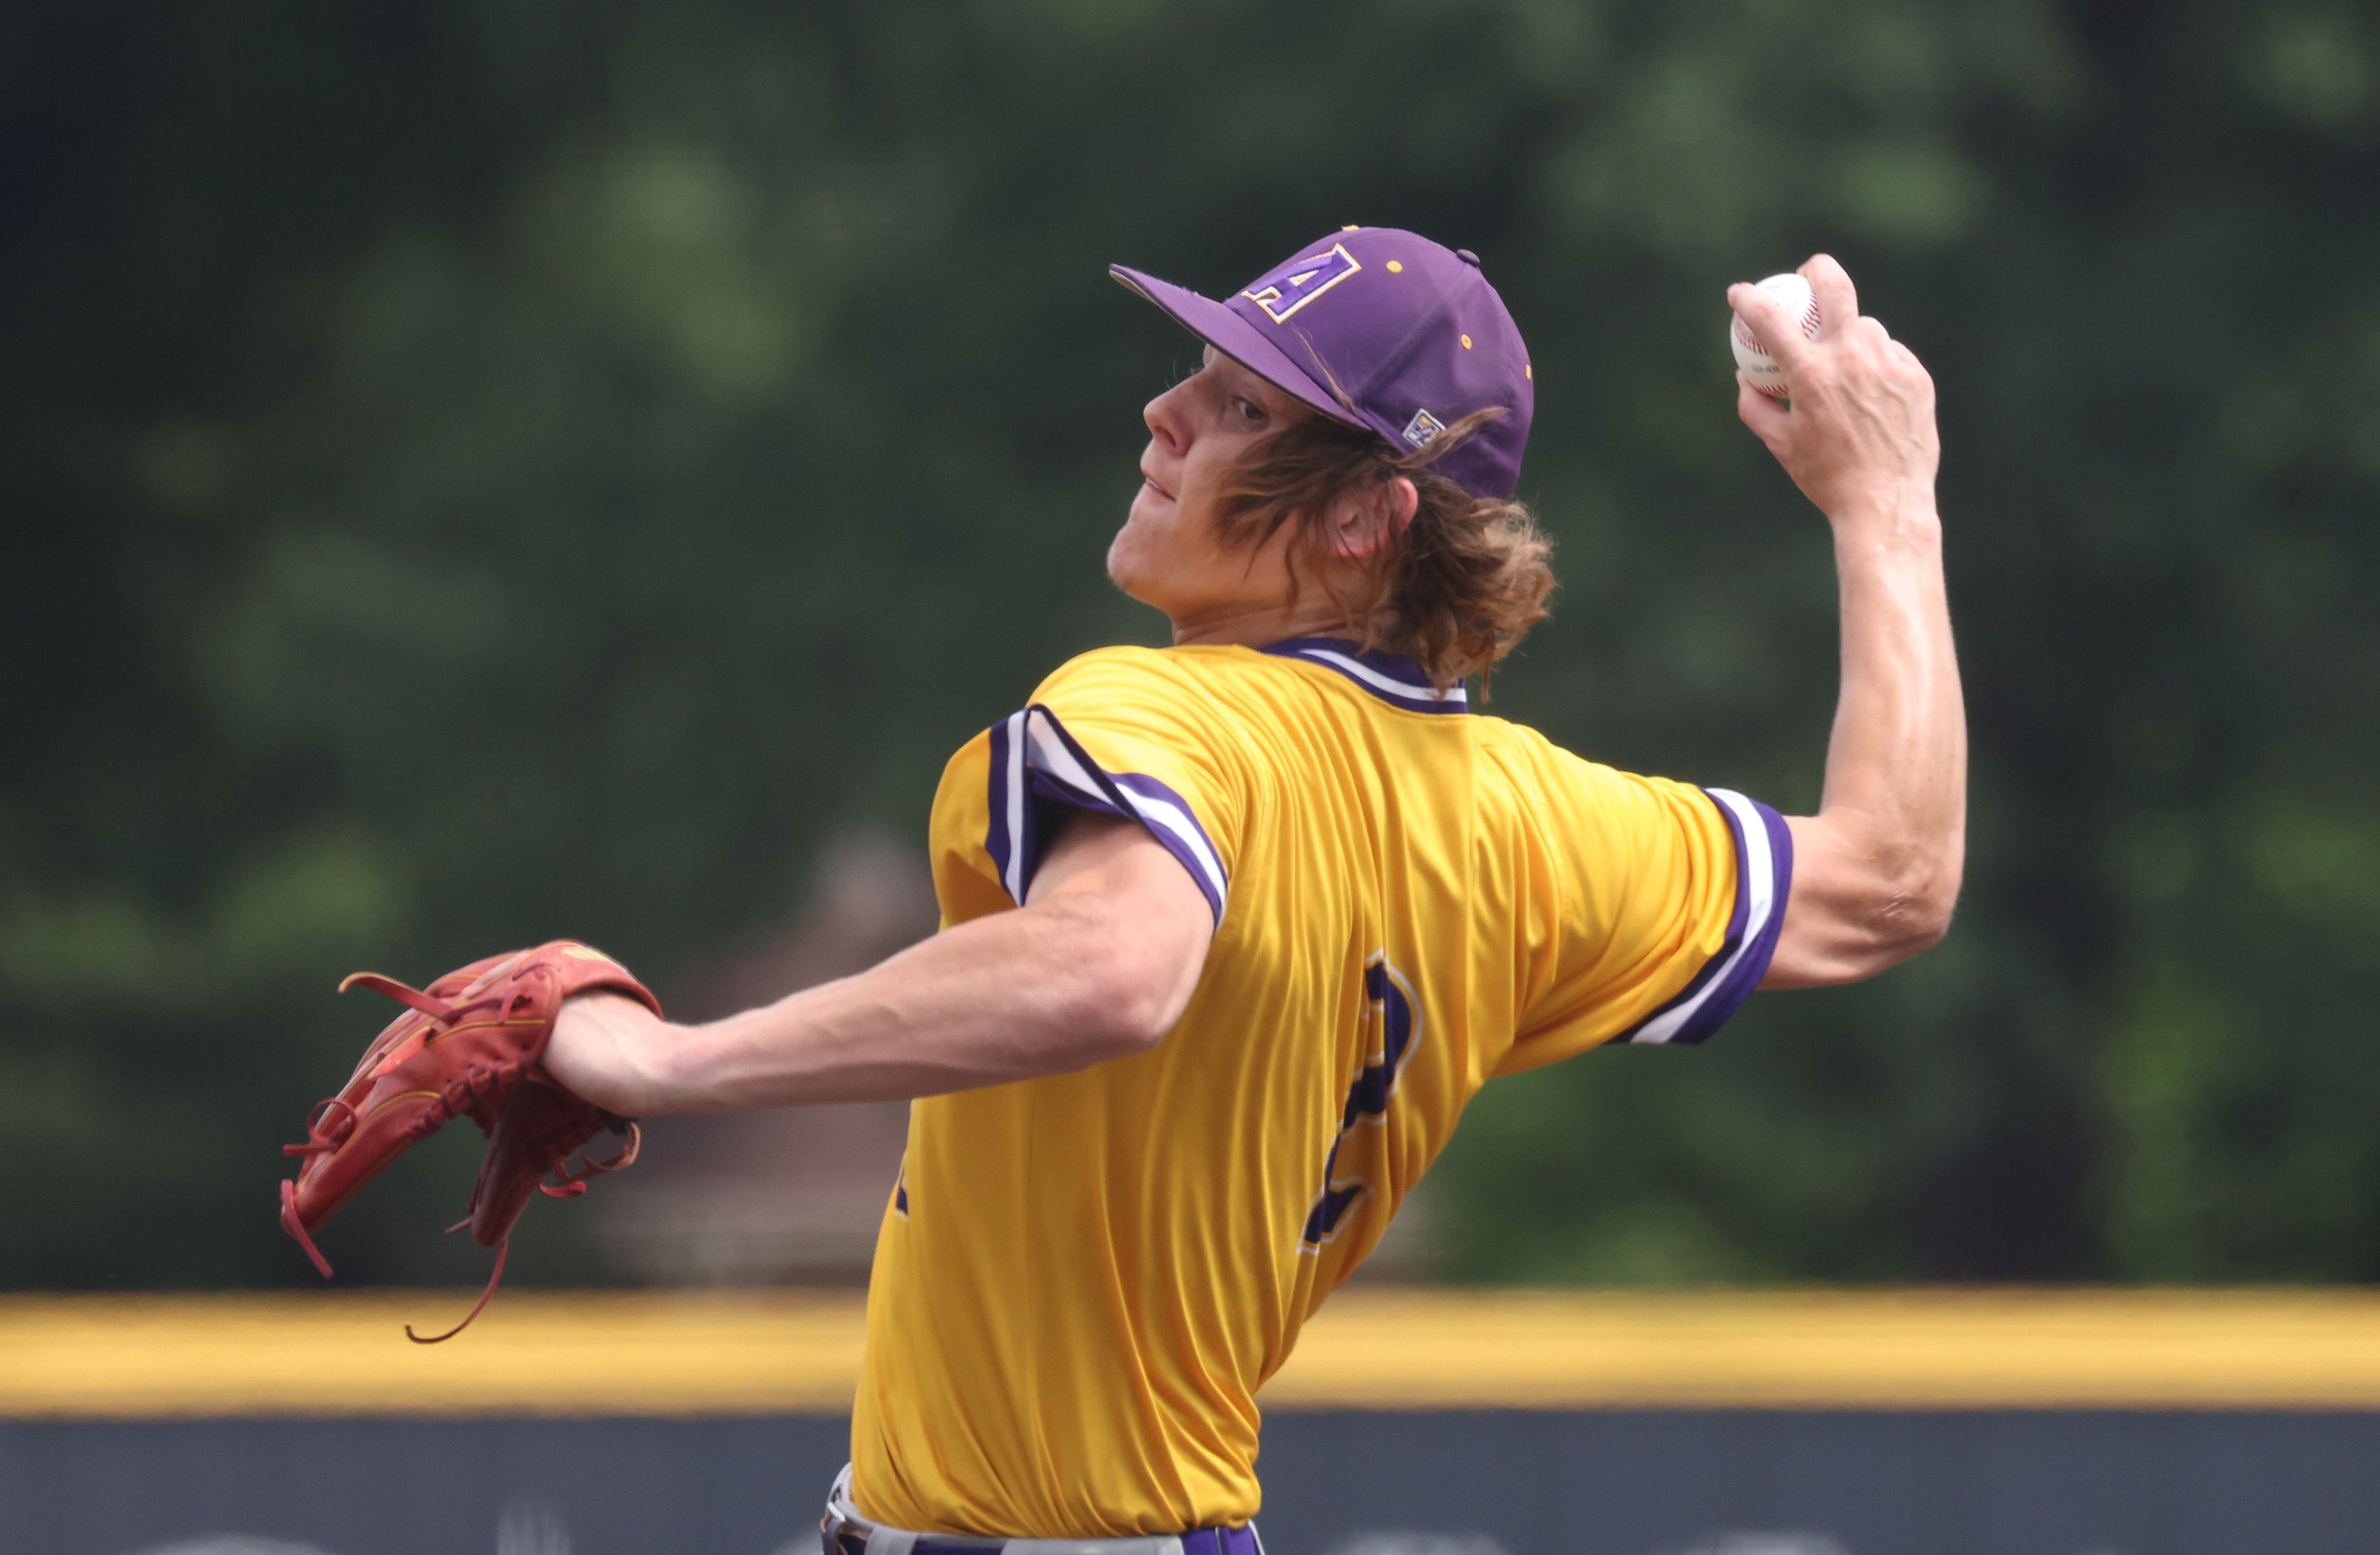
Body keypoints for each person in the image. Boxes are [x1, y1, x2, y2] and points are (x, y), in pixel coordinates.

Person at [543, 226, 1964, 1552]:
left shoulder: (1167, 715)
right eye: (1201, 381)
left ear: (1362, 516)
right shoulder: (1533, 826)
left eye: (1238, 409)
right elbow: (1889, 878)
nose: (1163, 416)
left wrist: (665, 1064)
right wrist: (1885, 505)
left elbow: (1112, 966)